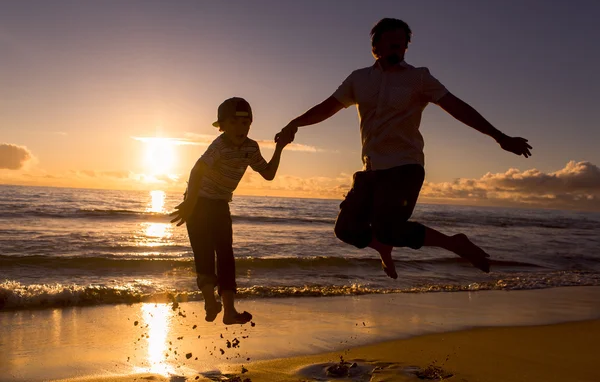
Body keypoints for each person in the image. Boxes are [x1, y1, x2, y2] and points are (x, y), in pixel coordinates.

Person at [276, 18, 532, 278]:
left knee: (389, 227)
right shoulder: (358, 79)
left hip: (404, 166)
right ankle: (383, 247)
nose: (398, 48)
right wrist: (295, 123)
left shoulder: (418, 77)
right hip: (372, 168)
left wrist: (499, 136)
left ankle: (454, 242)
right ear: (376, 47)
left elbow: (458, 107)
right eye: (391, 43)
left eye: (403, 44)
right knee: (346, 230)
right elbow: (327, 106)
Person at [171, 97, 291, 324]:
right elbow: (197, 171)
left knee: (226, 255)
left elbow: (268, 173)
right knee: (204, 254)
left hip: (219, 205)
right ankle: (209, 302)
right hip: (198, 203)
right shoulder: (220, 146)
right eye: (234, 123)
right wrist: (189, 203)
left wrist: (280, 147)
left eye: (246, 124)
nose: (241, 128)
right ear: (222, 126)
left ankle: (228, 311)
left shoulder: (250, 148)